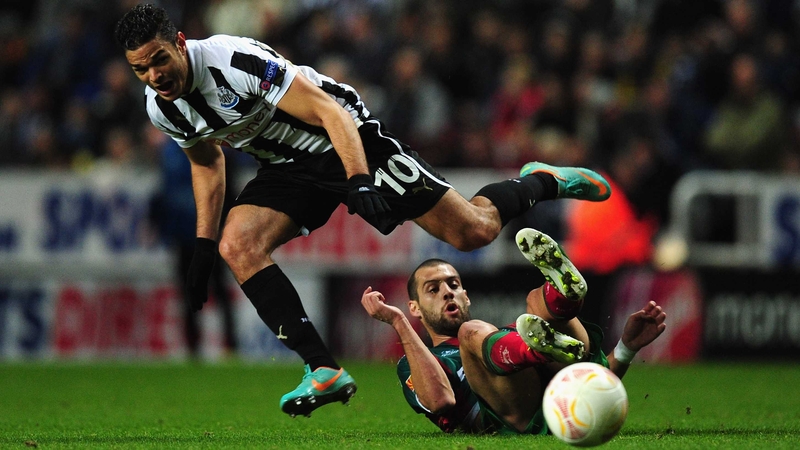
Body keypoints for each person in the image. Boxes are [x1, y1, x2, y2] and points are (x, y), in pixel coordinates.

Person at [114, 4, 612, 418]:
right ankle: (322, 369)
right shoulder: (162, 106)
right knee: (237, 244)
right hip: (287, 167)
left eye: (160, 59)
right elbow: (207, 162)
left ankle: (542, 180)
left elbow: (329, 111)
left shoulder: (233, 60)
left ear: (181, 43)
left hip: (345, 138)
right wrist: (204, 245)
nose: (155, 76)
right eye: (141, 69)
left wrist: (356, 179)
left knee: (474, 231)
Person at [361, 228, 666, 434]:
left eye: (454, 285)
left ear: (467, 296)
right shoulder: (415, 362)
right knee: (472, 334)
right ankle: (538, 348)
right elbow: (441, 402)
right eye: (433, 289)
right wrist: (399, 323)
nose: (447, 292)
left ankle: (564, 297)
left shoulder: (497, 341)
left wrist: (627, 347)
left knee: (535, 301)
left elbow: (594, 382)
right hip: (511, 419)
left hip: (555, 401)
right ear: (414, 308)